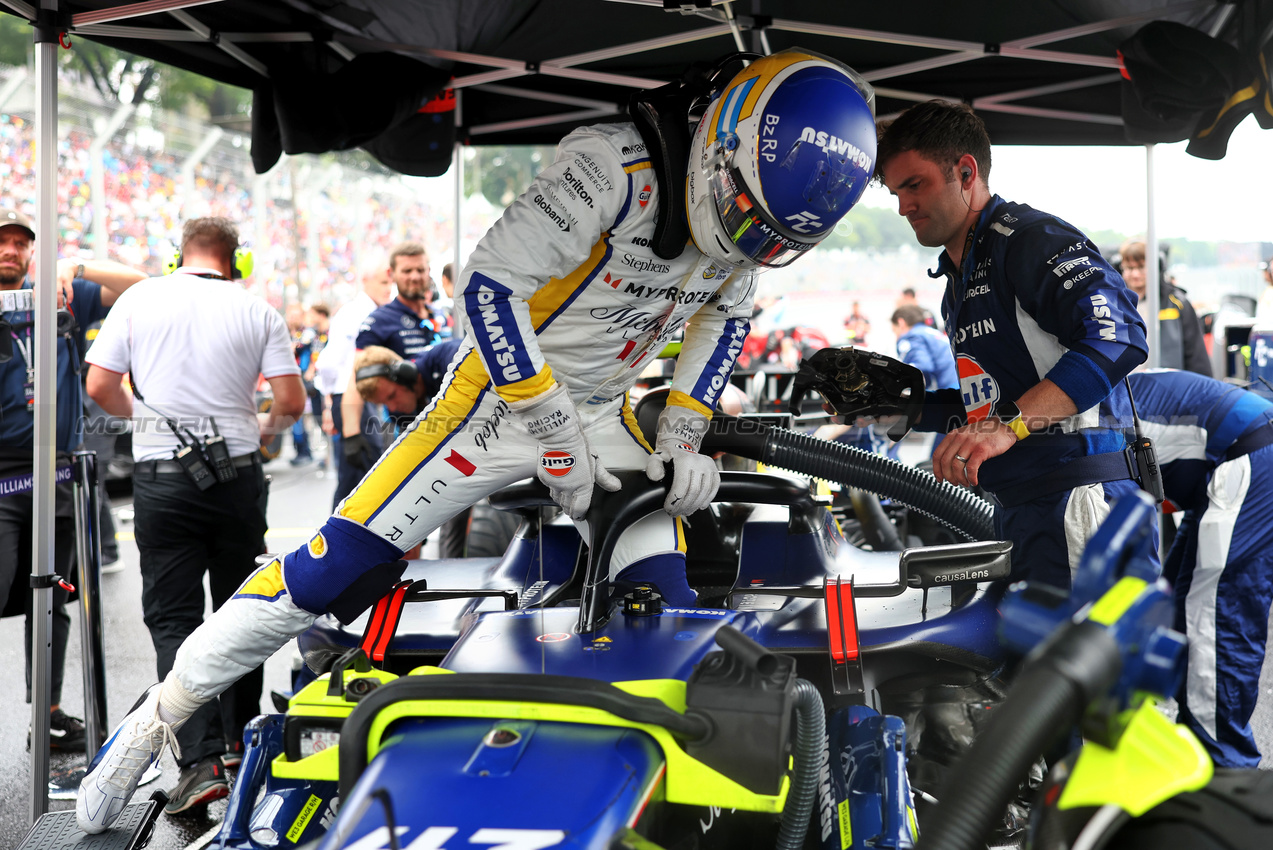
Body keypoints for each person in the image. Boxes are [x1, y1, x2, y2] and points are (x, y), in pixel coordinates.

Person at [76, 48, 879, 834]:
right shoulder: (611, 168)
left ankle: (648, 803)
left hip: (602, 408)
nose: (746, 237)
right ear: (720, 141)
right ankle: (157, 722)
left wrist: (683, 435)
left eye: (769, 235)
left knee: (665, 608)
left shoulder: (753, 218)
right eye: (742, 212)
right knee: (332, 569)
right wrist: (550, 426)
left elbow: (726, 315)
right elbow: (491, 286)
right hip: (492, 403)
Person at [876, 100, 1150, 589]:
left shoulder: (1028, 239)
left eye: (914, 185)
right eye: (896, 192)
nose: (903, 207)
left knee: (1087, 666)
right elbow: (989, 407)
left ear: (965, 172)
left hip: (1080, 500)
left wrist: (1008, 426)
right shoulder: (959, 277)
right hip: (1024, 508)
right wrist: (899, 406)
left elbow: (1120, 337)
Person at [84, 217, 306, 818]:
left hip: (165, 478)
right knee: (244, 609)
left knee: (175, 617)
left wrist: (145, 422)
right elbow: (290, 403)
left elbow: (100, 384)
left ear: (177, 255)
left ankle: (202, 762)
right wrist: (259, 431)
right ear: (238, 259)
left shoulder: (139, 297)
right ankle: (241, 745)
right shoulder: (257, 308)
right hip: (237, 476)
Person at [0, 208, 144, 751]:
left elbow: (140, 286)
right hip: (2, 474)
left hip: (58, 469)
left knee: (52, 599)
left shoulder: (56, 293)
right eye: (2, 242)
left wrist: (74, 263)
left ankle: (52, 713)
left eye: (20, 243)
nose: (11, 251)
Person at [1110, 370, 1273, 769]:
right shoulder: (1080, 395)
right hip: (1231, 458)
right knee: (1176, 605)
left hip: (1249, 455)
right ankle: (1191, 751)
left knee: (1211, 622)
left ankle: (1225, 774)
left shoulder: (1079, 416)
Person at [351, 340, 467, 557]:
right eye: (384, 404)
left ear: (405, 375)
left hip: (506, 433)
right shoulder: (399, 412)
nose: (393, 408)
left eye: (392, 396)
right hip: (463, 452)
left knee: (456, 485)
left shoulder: (450, 358)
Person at [340, 242, 443, 462]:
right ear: (392, 273)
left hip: (454, 426)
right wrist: (351, 435)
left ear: (428, 272)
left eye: (420, 270)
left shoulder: (440, 315)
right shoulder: (379, 321)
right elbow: (358, 378)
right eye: (407, 271)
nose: (414, 277)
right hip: (409, 434)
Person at [313, 267, 392, 509]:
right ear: (365, 279)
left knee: (359, 474)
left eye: (390, 282)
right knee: (358, 476)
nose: (388, 288)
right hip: (350, 400)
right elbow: (327, 363)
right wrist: (331, 397)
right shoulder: (355, 314)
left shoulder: (369, 312)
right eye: (383, 281)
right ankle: (336, 537)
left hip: (357, 401)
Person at [1114, 239, 1211, 376]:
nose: (1135, 274)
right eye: (1130, 268)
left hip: (1167, 388)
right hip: (1126, 388)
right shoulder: (1112, 304)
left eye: (1141, 267)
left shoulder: (1177, 303)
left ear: (1155, 267)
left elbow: (1196, 354)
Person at [891, 304, 956, 391]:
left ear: (900, 323)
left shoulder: (911, 336)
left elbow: (921, 366)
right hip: (959, 384)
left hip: (948, 391)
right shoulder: (932, 332)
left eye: (894, 330)